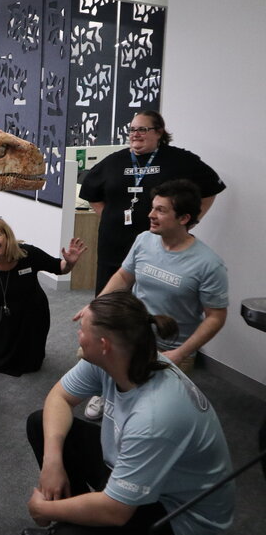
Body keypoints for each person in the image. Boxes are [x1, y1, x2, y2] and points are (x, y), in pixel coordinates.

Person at [20, 291, 233, 535]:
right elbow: (58, 398)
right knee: (40, 423)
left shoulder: (155, 416)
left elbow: (116, 511)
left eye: (82, 330)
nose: (78, 335)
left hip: (177, 516)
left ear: (104, 344)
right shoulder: (120, 357)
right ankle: (76, 523)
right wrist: (53, 462)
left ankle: (74, 529)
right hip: (137, 470)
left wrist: (44, 508)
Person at [80, 179, 228, 420]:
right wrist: (96, 305)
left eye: (161, 210)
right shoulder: (144, 240)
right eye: (152, 207)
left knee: (155, 415)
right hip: (133, 335)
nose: (151, 215)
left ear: (184, 218)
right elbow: (124, 276)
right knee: (93, 357)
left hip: (173, 347)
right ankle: (107, 392)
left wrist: (181, 353)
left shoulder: (209, 264)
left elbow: (216, 317)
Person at [78, 110, 225, 295]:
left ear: (159, 132)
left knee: (152, 299)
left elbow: (211, 190)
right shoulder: (114, 161)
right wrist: (109, 217)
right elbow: (92, 193)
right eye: (131, 130)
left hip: (159, 245)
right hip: (114, 244)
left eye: (142, 129)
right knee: (110, 301)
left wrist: (191, 221)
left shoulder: (179, 160)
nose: (135, 134)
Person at [0, 218, 86, 376]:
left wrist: (69, 263)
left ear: (7, 236)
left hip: (30, 312)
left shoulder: (28, 254)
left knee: (30, 363)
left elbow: (59, 267)